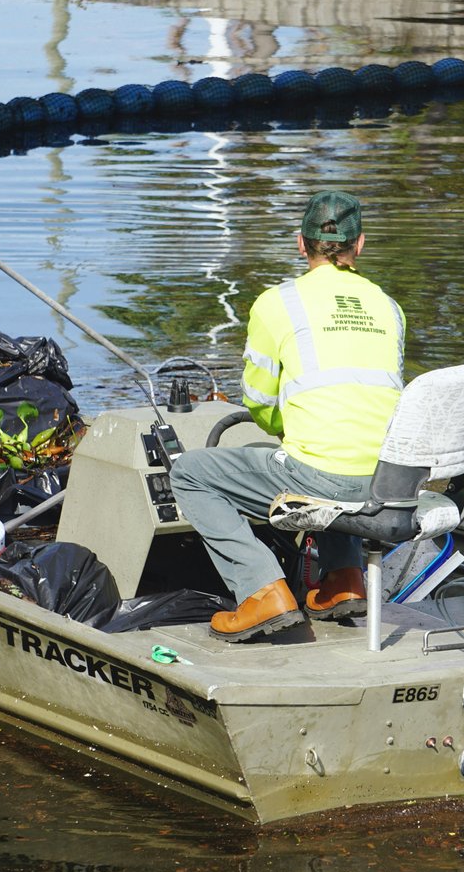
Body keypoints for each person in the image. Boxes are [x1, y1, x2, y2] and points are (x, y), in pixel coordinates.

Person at [169, 190, 406, 642]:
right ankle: (343, 580)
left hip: (326, 479)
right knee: (335, 458)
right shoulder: (391, 309)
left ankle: (262, 591)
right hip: (389, 480)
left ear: (301, 244)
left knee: (191, 474)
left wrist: (287, 431)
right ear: (361, 245)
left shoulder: (277, 303)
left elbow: (258, 399)